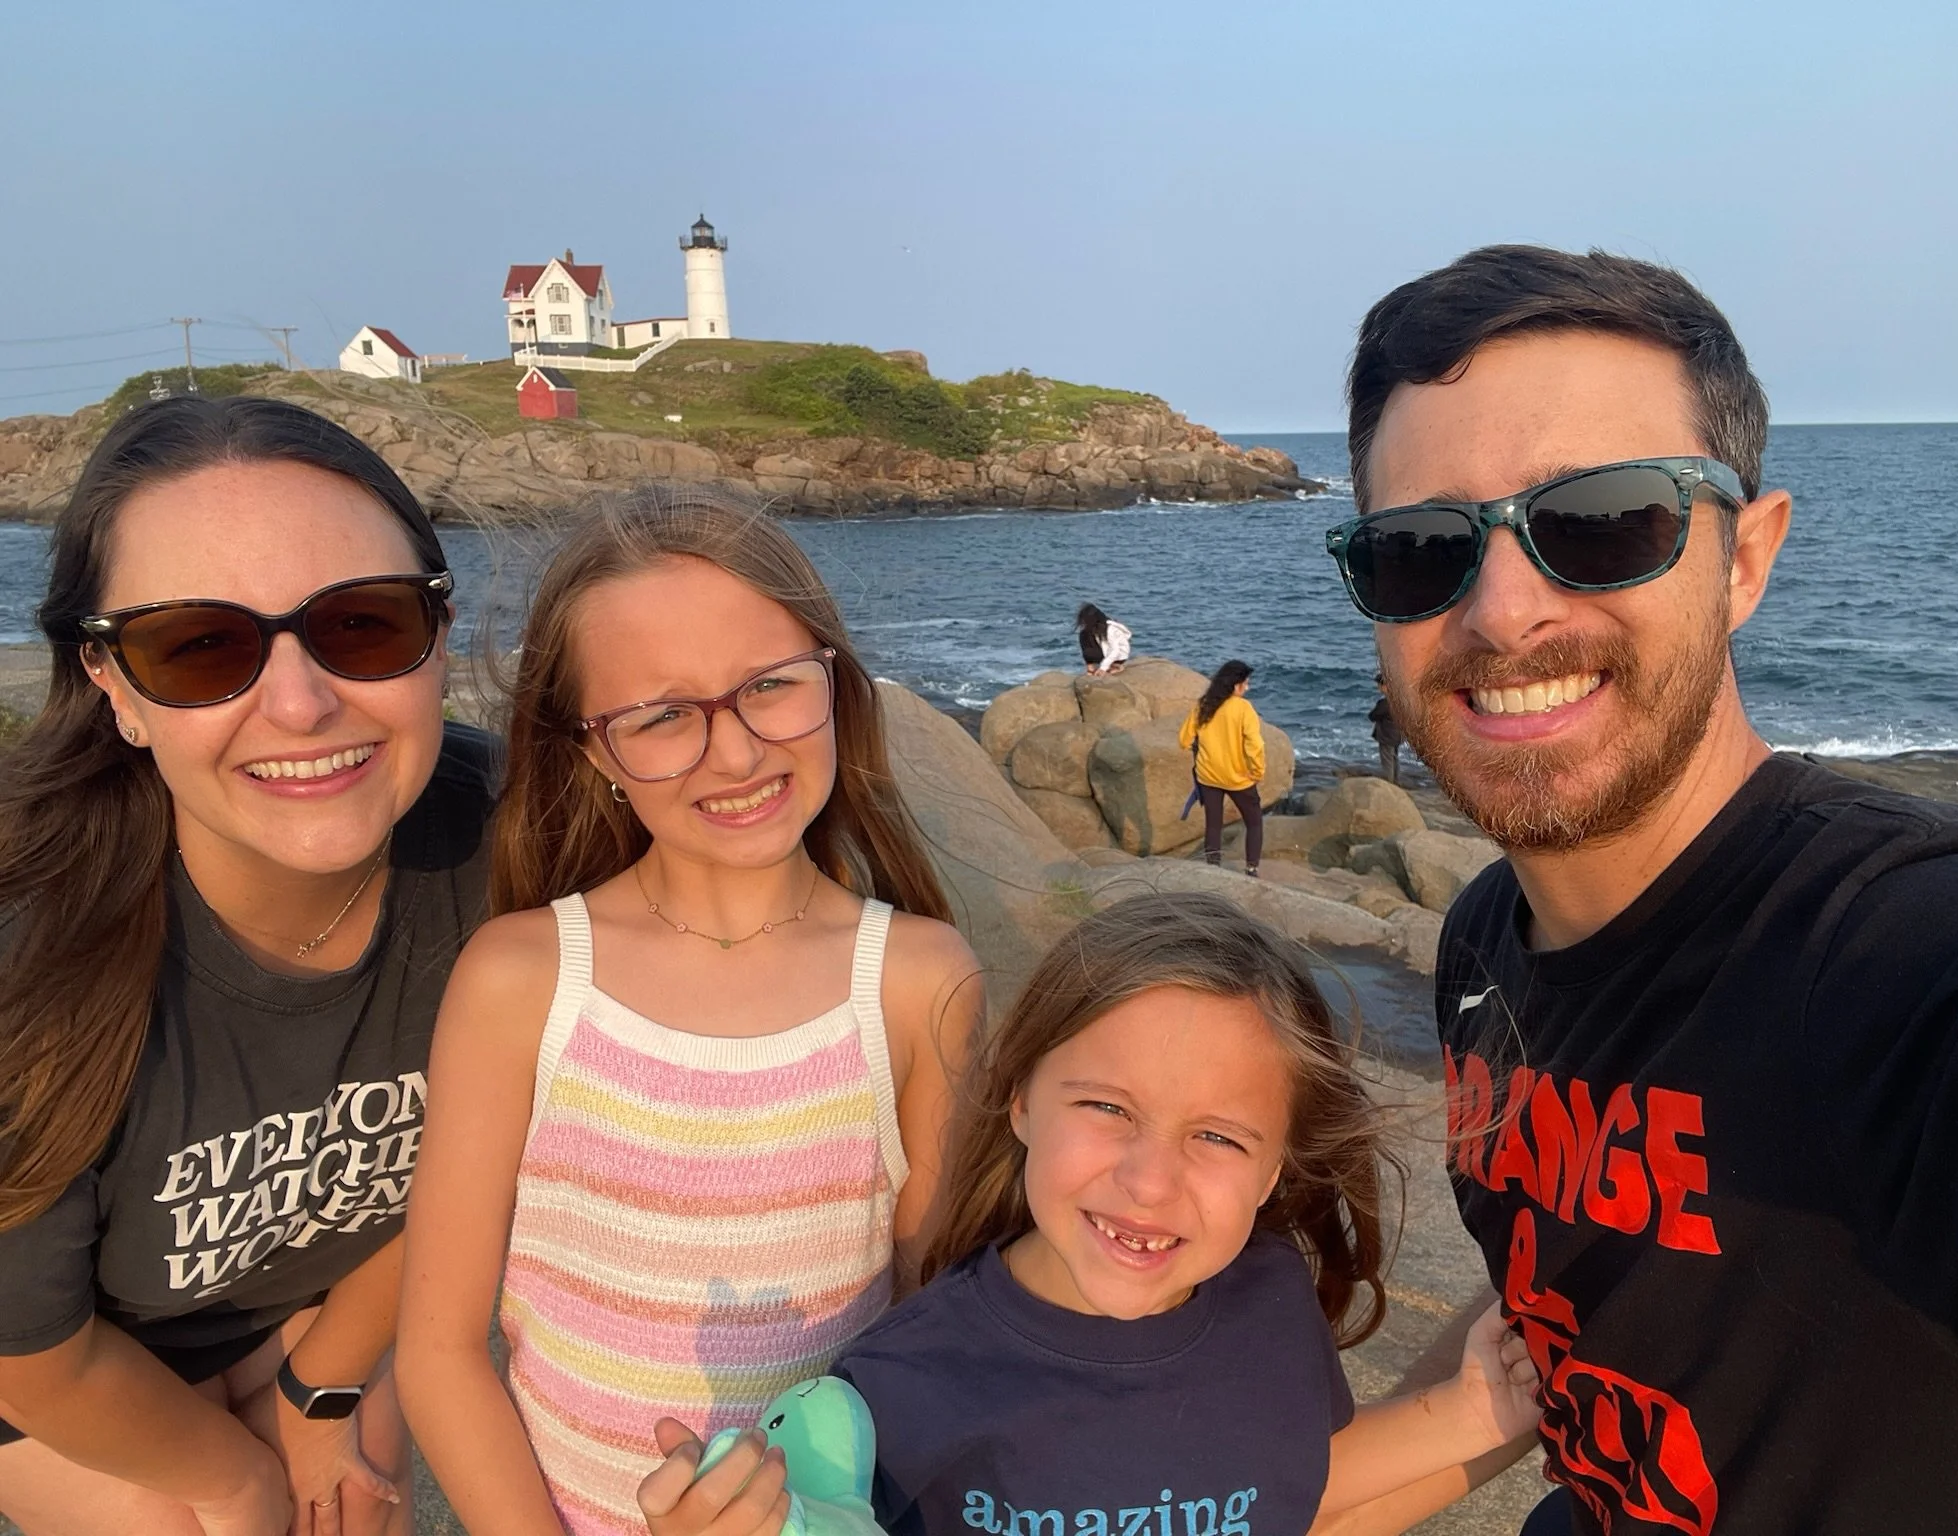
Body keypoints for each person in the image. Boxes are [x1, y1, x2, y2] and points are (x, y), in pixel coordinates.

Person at [1327, 245, 1958, 1534]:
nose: (1501, 613)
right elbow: (1555, 1316)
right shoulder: (1486, 940)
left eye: (1601, 521)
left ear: (1744, 559)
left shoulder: (1922, 951)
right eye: (1420, 548)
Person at [395, 485, 983, 1536]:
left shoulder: (916, 980)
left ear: (833, 683)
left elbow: (931, 1341)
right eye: (661, 716)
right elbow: (438, 1355)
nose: (737, 750)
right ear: (589, 751)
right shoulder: (521, 979)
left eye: (768, 686)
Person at [638, 893, 1540, 1536]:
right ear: (1021, 1098)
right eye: (1108, 1109)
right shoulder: (905, 1383)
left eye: (1220, 1137)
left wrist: (1471, 1412)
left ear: (1276, 1168)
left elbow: (1288, 1491)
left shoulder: (1271, 1302)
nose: (1151, 1182)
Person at [0, 396, 494, 1536]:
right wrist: (236, 1480)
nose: (301, 704)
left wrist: (317, 1381)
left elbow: (491, 1166)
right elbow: (33, 1359)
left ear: (439, 635)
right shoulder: (31, 959)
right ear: (112, 688)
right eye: (197, 646)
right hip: (52, 1359)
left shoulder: (501, 849)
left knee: (354, 1508)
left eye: (362, 625)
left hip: (306, 1310)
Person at [1178, 660, 1266, 876]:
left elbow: (1184, 740)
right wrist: (1257, 771)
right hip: (1238, 777)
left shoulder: (1204, 705)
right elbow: (1255, 745)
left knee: (1213, 823)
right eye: (1246, 683)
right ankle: (1251, 868)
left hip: (1208, 775)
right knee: (1254, 823)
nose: (1248, 687)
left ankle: (1213, 866)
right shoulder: (1243, 708)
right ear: (1236, 685)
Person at [1074, 604, 1131, 675]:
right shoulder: (1093, 629)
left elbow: (1115, 650)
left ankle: (1116, 665)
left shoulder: (1110, 629)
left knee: (1086, 638)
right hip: (1105, 651)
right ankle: (1090, 667)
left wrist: (1103, 668)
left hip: (1119, 655)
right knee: (1083, 634)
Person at [1368, 674, 1403, 786]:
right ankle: (1396, 782)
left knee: (1387, 761)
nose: (1378, 687)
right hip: (1397, 735)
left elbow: (1373, 716)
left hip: (1386, 736)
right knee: (1394, 759)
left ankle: (1389, 784)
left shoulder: (1385, 703)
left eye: (1379, 685)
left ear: (1385, 686)